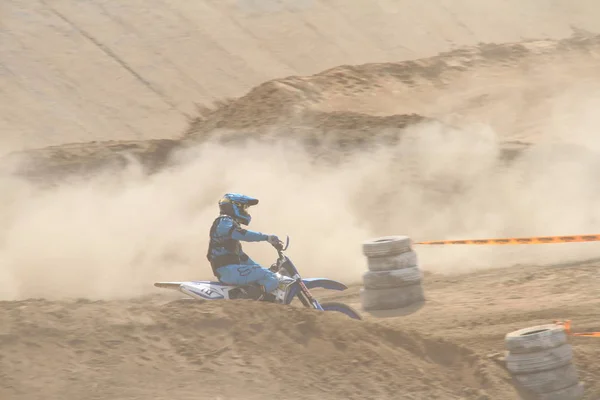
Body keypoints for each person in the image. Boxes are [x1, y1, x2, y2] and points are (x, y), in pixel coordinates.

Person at [206, 193, 290, 301]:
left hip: (230, 270)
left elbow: (243, 258)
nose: (245, 211)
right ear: (234, 206)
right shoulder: (224, 221)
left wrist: (263, 269)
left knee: (268, 275)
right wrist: (266, 238)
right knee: (272, 279)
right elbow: (242, 234)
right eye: (244, 207)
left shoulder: (229, 229)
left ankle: (253, 300)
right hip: (228, 271)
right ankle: (247, 303)